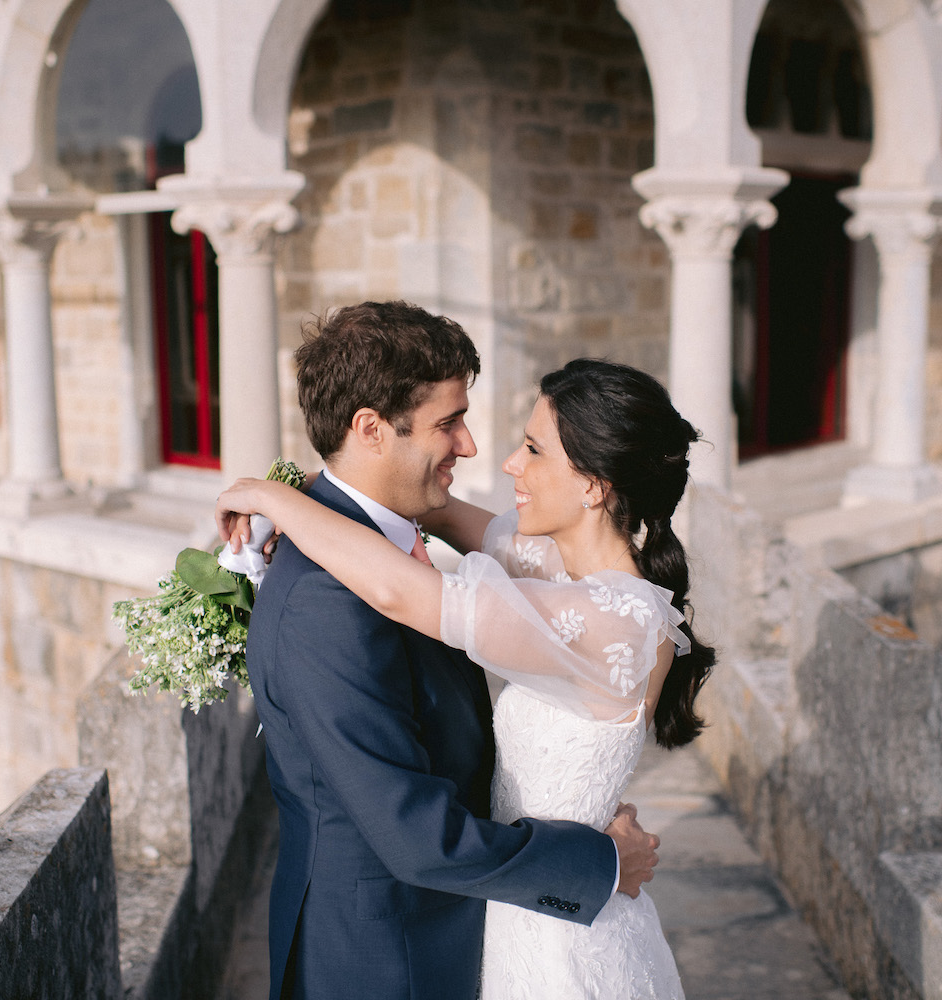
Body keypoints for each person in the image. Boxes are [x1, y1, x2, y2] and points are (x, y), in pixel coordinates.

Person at [219, 338, 716, 999]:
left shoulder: (616, 617)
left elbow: (407, 593)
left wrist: (275, 501)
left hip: (556, 924)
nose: (500, 458)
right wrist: (320, 491)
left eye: (535, 450)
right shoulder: (553, 565)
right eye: (452, 423)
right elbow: (436, 508)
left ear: (594, 486)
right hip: (514, 898)